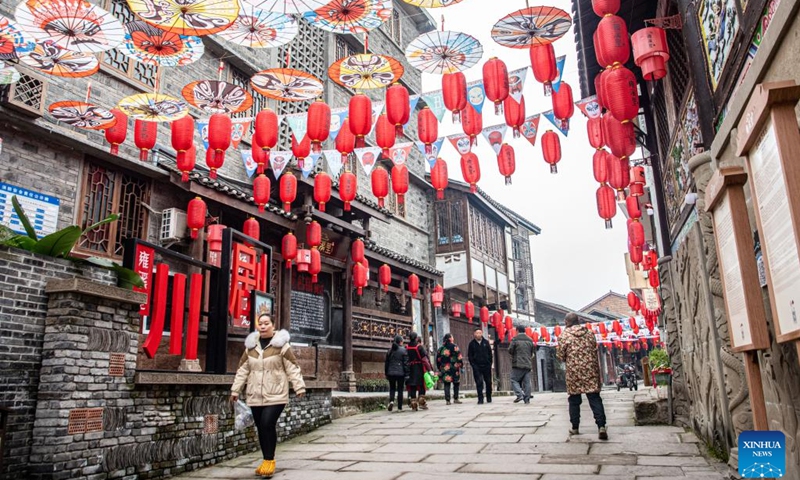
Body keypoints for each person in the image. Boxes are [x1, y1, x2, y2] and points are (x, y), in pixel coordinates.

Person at [231, 314, 306, 477]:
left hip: (276, 393)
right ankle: (265, 460)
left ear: (273, 325)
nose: (263, 326)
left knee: (267, 423)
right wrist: (235, 390)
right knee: (260, 426)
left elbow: (293, 367)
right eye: (260, 324)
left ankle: (270, 460)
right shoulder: (250, 347)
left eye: (266, 323)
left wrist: (299, 386)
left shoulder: (282, 346)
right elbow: (243, 370)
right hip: (255, 393)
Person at [556, 313, 608, 440]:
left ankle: (575, 428)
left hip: (574, 371)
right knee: (594, 398)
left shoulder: (564, 336)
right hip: (590, 370)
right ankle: (601, 426)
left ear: (567, 322)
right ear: (578, 321)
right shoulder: (590, 333)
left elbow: (560, 356)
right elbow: (594, 349)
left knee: (574, 400)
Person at [405, 331, 431, 411]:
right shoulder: (419, 347)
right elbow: (424, 359)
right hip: (419, 368)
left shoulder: (406, 347)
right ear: (416, 338)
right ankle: (421, 401)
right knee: (421, 385)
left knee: (412, 386)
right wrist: (429, 369)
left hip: (410, 368)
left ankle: (413, 403)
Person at [508, 325, 534, 404]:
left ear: (517, 330)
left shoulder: (515, 339)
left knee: (514, 379)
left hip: (518, 363)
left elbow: (510, 350)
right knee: (527, 382)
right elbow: (532, 351)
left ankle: (520, 395)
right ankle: (527, 398)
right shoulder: (530, 340)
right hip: (528, 363)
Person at [436, 333, 463, 405]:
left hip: (445, 368)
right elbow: (459, 357)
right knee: (456, 383)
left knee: (447, 384)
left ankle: (447, 400)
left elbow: (438, 359)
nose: (453, 338)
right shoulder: (455, 347)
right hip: (454, 367)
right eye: (452, 337)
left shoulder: (441, 348)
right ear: (450, 339)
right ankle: (456, 398)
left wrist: (439, 368)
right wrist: (461, 365)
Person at [467, 328, 493, 404]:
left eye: (480, 333)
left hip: (486, 365)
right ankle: (480, 398)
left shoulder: (486, 342)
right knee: (479, 382)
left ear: (482, 334)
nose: (478, 334)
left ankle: (489, 396)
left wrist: (489, 363)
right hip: (477, 366)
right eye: (477, 333)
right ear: (474, 334)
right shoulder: (471, 344)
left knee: (488, 382)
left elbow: (490, 354)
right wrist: (473, 365)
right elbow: (470, 355)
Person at [384, 335, 408, 412]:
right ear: (400, 341)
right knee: (400, 390)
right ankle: (399, 408)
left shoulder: (389, 351)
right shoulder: (403, 350)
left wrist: (386, 373)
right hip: (400, 373)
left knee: (392, 388)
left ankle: (391, 401)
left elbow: (386, 364)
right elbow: (405, 364)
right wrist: (407, 373)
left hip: (390, 372)